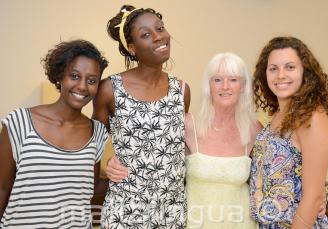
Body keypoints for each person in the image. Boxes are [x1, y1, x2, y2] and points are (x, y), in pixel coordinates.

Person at [92, 4, 190, 228]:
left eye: (160, 28)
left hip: (171, 212)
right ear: (133, 48)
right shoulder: (109, 89)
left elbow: (180, 148)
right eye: (146, 34)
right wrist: (106, 170)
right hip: (125, 211)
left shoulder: (182, 90)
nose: (158, 37)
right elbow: (92, 145)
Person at [0, 39, 109, 228]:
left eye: (92, 81)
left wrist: (127, 174)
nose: (83, 86)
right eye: (74, 76)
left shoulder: (97, 132)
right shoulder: (19, 122)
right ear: (60, 76)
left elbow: (90, 188)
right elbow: (2, 188)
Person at [249, 36, 328, 228]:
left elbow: (313, 198)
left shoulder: (313, 118)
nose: (281, 75)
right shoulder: (278, 115)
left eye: (290, 67)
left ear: (305, 72)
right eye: (273, 68)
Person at [184, 53, 261, 229]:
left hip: (242, 223)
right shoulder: (188, 124)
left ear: (243, 86)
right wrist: (115, 163)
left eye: (233, 80)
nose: (225, 86)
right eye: (217, 80)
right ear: (208, 86)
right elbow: (155, 157)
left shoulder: (255, 129)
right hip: (195, 222)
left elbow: (271, 175)